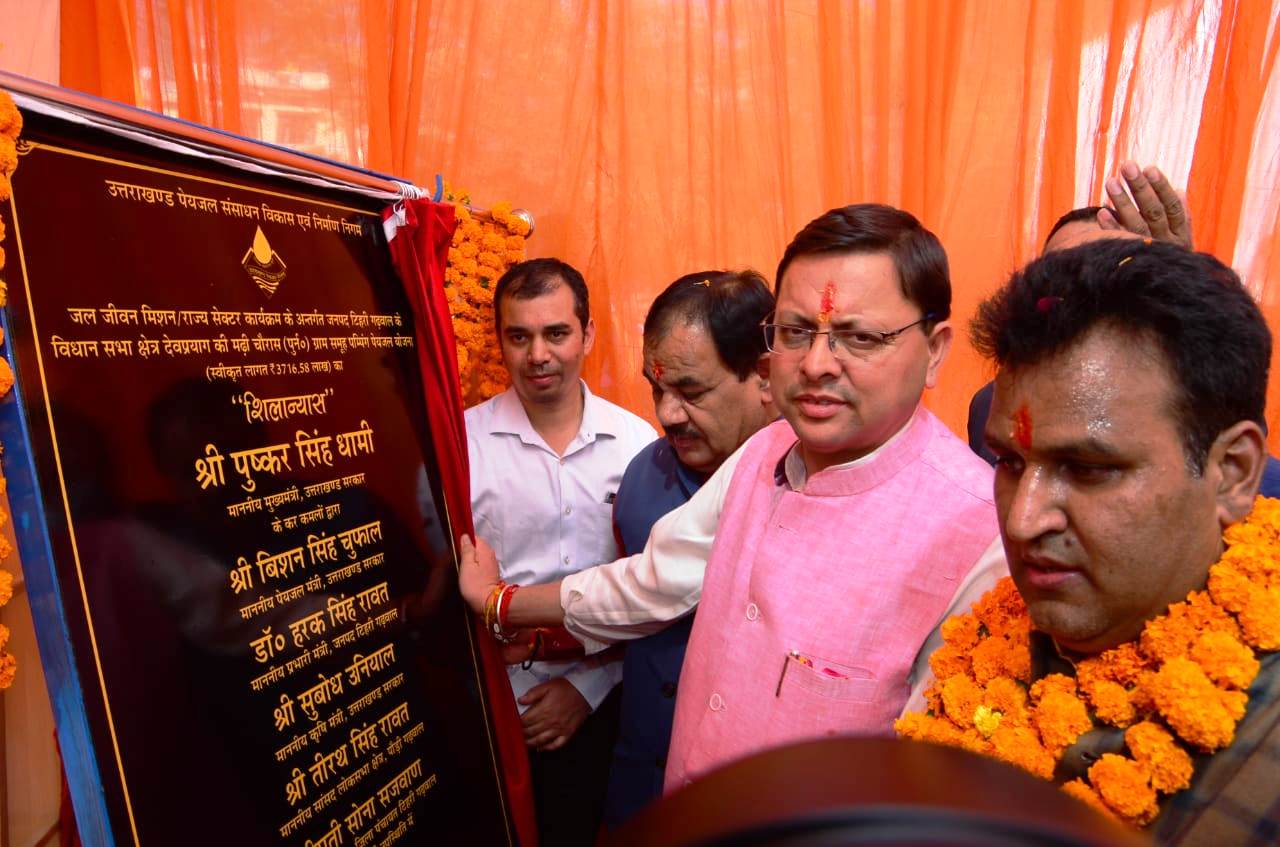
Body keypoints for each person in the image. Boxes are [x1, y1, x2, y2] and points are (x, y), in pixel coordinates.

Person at [461, 204, 1007, 791]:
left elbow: (935, 779)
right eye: (796, 332)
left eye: (860, 337)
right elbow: (652, 583)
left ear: (934, 350)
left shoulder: (981, 534)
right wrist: (501, 603)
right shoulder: (762, 452)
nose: (816, 364)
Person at [899, 238, 1279, 843]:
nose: (1022, 521)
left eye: (1088, 469)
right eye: (1010, 462)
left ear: (1232, 473)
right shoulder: (991, 641)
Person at [464, 258, 656, 846]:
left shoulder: (637, 444)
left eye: (556, 333)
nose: (538, 355)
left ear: (587, 334)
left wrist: (586, 690)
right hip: (488, 707)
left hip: (604, 701)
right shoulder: (462, 444)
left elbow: (654, 591)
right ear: (500, 341)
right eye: (519, 337)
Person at [603, 269, 777, 827]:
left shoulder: (809, 489)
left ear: (764, 376)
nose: (667, 414)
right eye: (657, 389)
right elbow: (618, 605)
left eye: (691, 392)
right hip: (639, 788)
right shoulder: (642, 476)